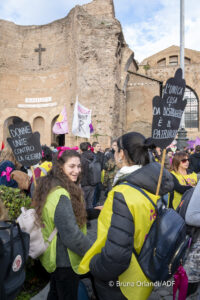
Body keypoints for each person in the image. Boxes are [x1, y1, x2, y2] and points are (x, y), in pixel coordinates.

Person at [78, 132, 174, 300]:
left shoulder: (124, 192)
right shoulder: (151, 184)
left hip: (122, 284)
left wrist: (95, 266)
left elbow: (116, 257)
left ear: (121, 154)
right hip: (143, 274)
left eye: (116, 150)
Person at [32, 150, 92, 300]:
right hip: (65, 261)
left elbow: (64, 216)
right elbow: (72, 236)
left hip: (55, 259)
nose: (77, 170)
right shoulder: (61, 195)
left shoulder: (51, 185)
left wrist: (93, 212)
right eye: (71, 166)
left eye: (79, 166)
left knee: (55, 294)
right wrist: (93, 252)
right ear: (60, 167)